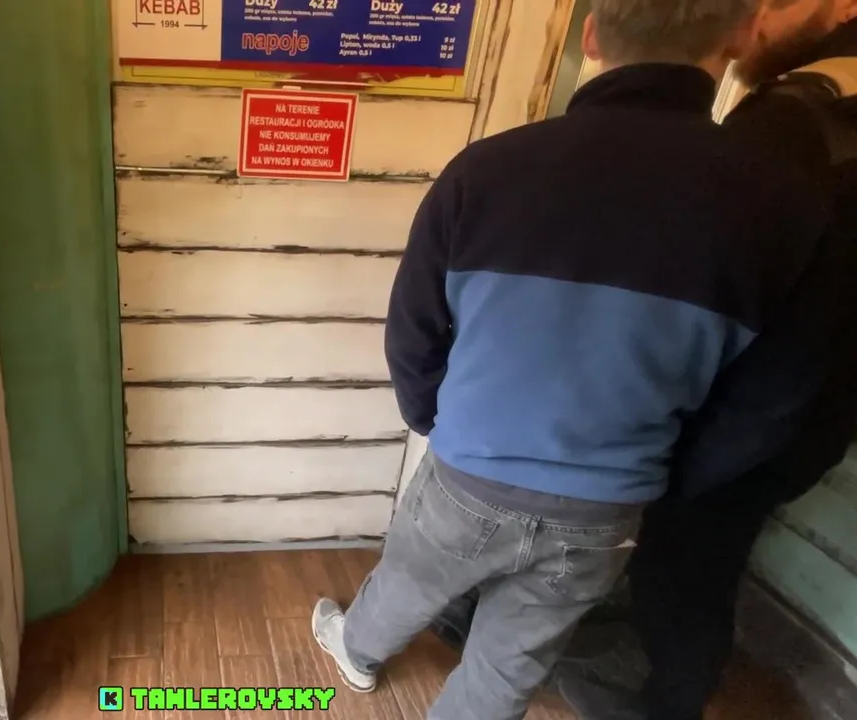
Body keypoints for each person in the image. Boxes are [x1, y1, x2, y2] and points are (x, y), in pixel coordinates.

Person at [307, 1, 831, 718]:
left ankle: (356, 651)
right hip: (607, 502)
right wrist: (662, 477)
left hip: (470, 469)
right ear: (742, 34)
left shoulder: (486, 170)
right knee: (511, 662)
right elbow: (775, 399)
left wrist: (437, 420)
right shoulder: (784, 205)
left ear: (590, 36)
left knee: (410, 580)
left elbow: (413, 332)